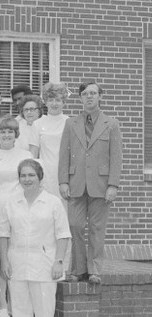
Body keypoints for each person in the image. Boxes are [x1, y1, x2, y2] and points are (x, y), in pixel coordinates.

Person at [0, 159, 71, 317]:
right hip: (17, 261)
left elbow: (63, 235)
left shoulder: (53, 202)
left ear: (40, 177)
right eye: (23, 175)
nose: (27, 179)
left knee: (44, 310)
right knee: (20, 309)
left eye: (31, 175)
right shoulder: (11, 202)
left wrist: (59, 261)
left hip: (45, 264)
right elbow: (3, 234)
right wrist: (4, 260)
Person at [58, 81, 122, 285]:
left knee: (96, 227)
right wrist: (63, 181)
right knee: (75, 225)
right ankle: (79, 268)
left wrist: (113, 185)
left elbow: (116, 157)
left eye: (93, 93)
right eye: (85, 94)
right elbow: (64, 154)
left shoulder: (111, 123)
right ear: (80, 98)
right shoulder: (71, 123)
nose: (89, 97)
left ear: (100, 96)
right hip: (76, 183)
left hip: (101, 185)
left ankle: (94, 269)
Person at [0, 115, 33, 317]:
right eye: (2, 131)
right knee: (0, 255)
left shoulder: (25, 154)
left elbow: (30, 182)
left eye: (10, 131)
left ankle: (17, 302)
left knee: (15, 254)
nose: (6, 134)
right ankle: (2, 304)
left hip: (18, 207)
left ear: (16, 134)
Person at [29, 82, 70, 198]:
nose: (54, 103)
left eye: (58, 100)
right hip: (45, 174)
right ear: (45, 102)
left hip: (64, 175)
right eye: (51, 100)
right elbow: (33, 155)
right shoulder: (37, 124)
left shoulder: (69, 123)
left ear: (63, 102)